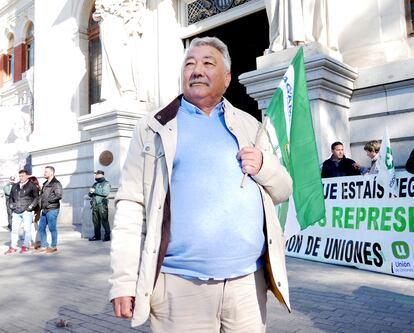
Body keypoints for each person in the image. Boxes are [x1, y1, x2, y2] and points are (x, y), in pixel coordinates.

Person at [109, 36, 293, 332]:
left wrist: (263, 165)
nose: (197, 70)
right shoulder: (152, 128)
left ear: (227, 78)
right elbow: (131, 206)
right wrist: (123, 281)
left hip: (247, 285)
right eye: (190, 64)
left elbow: (283, 190)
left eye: (208, 63)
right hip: (179, 289)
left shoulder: (251, 126)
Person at [5, 169, 39, 254]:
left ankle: (25, 246)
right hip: (16, 211)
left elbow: (36, 198)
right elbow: (11, 198)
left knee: (27, 229)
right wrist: (11, 205)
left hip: (27, 211)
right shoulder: (15, 185)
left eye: (23, 176)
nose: (21, 177)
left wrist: (31, 207)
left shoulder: (32, 185)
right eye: (20, 176)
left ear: (27, 176)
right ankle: (13, 247)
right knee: (14, 230)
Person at [36, 166, 63, 254]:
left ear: (51, 173)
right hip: (44, 209)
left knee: (52, 228)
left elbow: (59, 195)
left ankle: (53, 246)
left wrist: (48, 201)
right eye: (44, 172)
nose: (44, 173)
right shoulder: (45, 184)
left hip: (52, 209)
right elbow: (41, 196)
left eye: (46, 172)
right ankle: (44, 245)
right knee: (41, 228)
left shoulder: (56, 183)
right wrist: (40, 205)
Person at [88, 170, 111, 242]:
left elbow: (105, 193)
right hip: (95, 205)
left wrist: (94, 191)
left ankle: (107, 236)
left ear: (101, 175)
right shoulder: (95, 184)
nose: (95, 176)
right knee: (96, 222)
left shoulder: (106, 183)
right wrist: (90, 193)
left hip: (102, 205)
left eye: (96, 175)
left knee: (104, 221)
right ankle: (97, 236)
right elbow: (90, 194)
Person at [28, 175, 42, 249]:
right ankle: (37, 241)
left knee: (33, 226)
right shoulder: (38, 188)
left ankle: (34, 242)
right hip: (38, 209)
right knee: (36, 226)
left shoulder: (33, 189)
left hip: (34, 209)